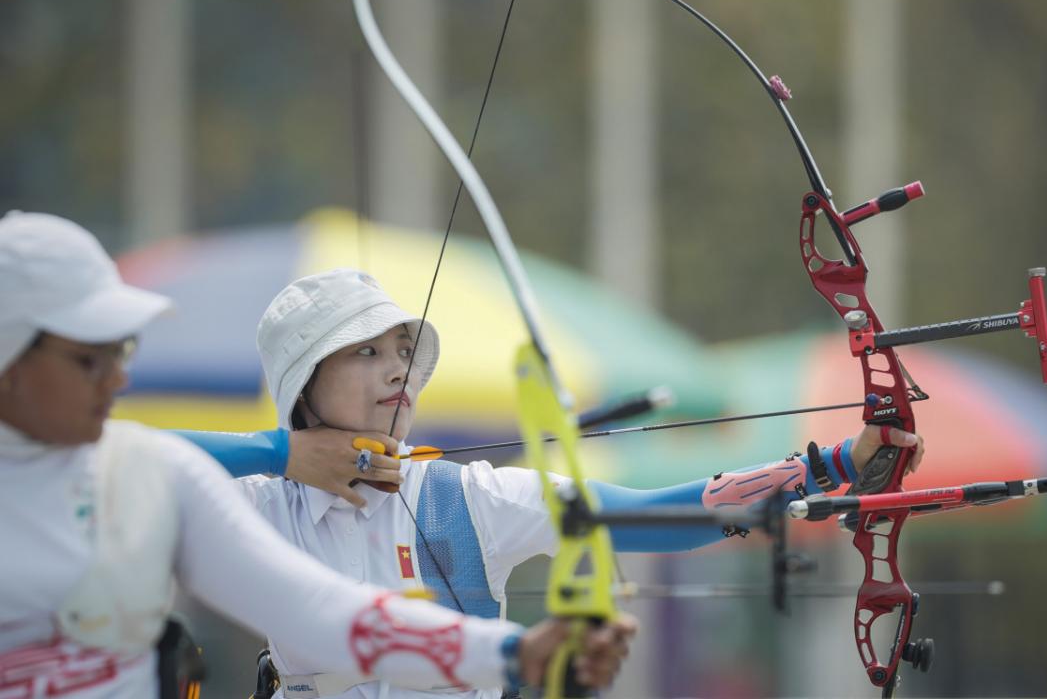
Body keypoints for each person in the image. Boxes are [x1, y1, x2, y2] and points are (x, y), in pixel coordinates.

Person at [178, 267, 924, 698]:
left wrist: (831, 467)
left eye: (402, 348)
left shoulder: (460, 499)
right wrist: (286, 454)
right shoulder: (256, 505)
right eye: (366, 352)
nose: (398, 369)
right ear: (304, 384)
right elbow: (125, 460)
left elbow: (645, 515)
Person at [0, 211, 635, 699]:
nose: (115, 380)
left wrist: (510, 655)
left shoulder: (145, 476)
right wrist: (287, 453)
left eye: (122, 354)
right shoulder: (191, 482)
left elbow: (321, 613)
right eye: (90, 358)